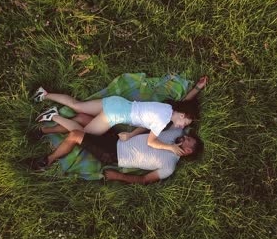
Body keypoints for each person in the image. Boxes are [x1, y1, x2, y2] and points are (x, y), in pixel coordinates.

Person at [30, 76, 206, 156]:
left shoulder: (168, 108)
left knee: (77, 105)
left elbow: (184, 103)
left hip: (116, 102)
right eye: (185, 123)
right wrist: (171, 148)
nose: (182, 127)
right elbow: (151, 142)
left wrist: (197, 89)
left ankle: (44, 94)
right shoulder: (162, 121)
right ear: (182, 115)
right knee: (83, 133)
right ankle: (54, 116)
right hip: (114, 115)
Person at [31, 127, 204, 184]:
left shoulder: (169, 166)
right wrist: (197, 87)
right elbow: (183, 110)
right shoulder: (175, 134)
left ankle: (47, 161)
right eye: (188, 135)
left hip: (113, 153)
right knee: (86, 121)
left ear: (187, 151)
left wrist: (118, 176)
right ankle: (42, 131)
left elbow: (144, 179)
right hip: (118, 137)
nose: (186, 136)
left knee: (76, 134)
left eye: (189, 140)